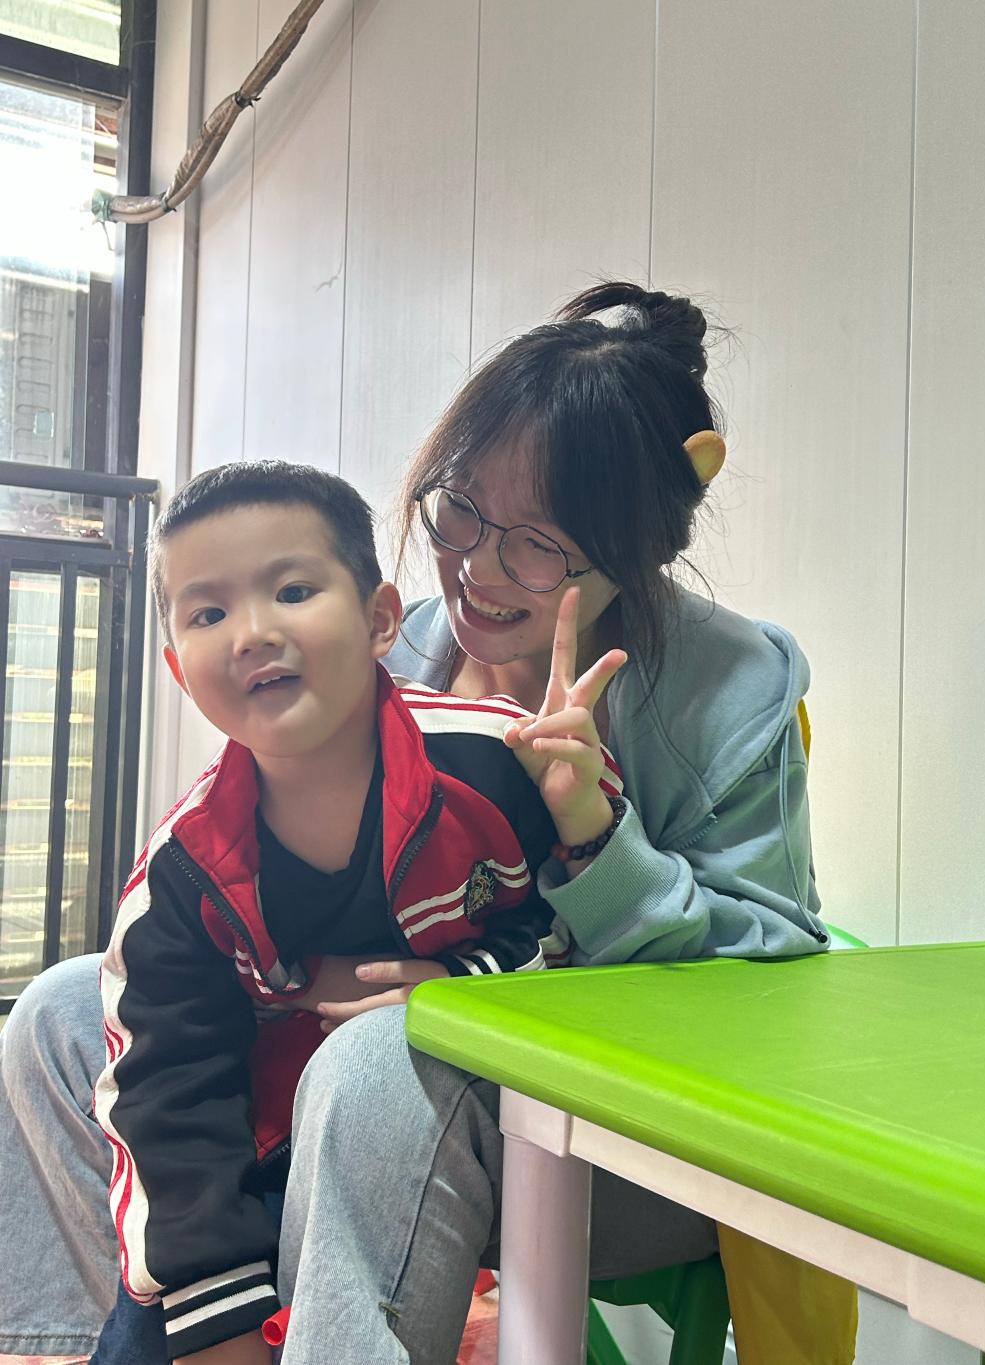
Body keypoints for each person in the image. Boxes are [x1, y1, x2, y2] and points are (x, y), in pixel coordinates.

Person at [0, 281, 827, 1365]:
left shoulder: (729, 686)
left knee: (385, 1060)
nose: (477, 569)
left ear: (633, 554)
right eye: (461, 510)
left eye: (539, 544)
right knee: (70, 1013)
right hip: (375, 1055)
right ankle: (119, 1337)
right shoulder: (408, 640)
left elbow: (777, 985)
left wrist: (575, 876)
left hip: (625, 1130)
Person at [82, 458, 623, 1365]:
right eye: (208, 614)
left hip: (481, 1134)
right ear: (178, 668)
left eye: (292, 591)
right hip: (270, 1153)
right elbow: (169, 1101)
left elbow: (583, 942)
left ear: (380, 620)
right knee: (163, 1330)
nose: (252, 634)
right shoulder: (183, 874)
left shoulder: (495, 763)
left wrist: (456, 979)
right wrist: (216, 1316)